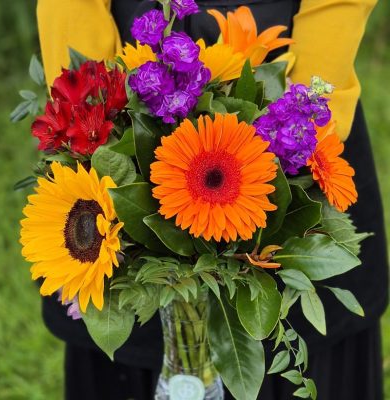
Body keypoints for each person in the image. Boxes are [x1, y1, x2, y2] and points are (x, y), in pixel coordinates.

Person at [36, 0, 388, 399]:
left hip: (287, 92)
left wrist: (300, 126)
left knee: (285, 326)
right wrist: (97, 116)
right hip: (131, 82)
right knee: (133, 341)